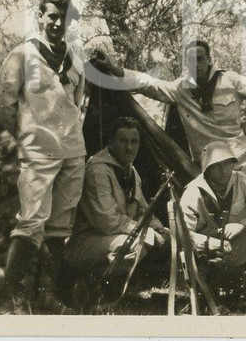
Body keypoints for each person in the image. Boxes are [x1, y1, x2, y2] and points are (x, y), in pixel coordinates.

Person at [0, 0, 86, 311]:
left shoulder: (76, 59)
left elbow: (77, 104)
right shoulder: (23, 55)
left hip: (73, 151)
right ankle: (11, 297)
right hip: (38, 151)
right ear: (40, 17)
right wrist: (25, 135)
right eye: (52, 16)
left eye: (63, 17)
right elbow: (2, 103)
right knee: (32, 222)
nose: (58, 23)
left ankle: (48, 296)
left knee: (60, 226)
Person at [91, 40, 246, 177]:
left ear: (209, 60)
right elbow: (148, 84)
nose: (196, 65)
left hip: (238, 159)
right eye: (191, 61)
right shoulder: (181, 89)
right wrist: (113, 68)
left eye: (200, 59)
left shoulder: (230, 80)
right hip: (207, 163)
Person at [64, 119, 169, 300]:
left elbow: (143, 211)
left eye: (134, 142)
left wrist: (160, 229)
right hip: (84, 243)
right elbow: (106, 221)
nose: (129, 147)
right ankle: (92, 287)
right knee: (138, 243)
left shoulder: (131, 171)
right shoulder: (97, 170)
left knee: (160, 239)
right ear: (110, 142)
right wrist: (150, 234)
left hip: (112, 238)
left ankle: (118, 286)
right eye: (123, 141)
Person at [179, 142, 246, 296]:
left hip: (236, 245)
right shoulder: (193, 192)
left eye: (227, 164)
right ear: (207, 169)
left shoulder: (240, 180)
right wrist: (211, 243)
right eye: (217, 166)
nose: (224, 171)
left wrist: (242, 224)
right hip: (207, 253)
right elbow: (183, 235)